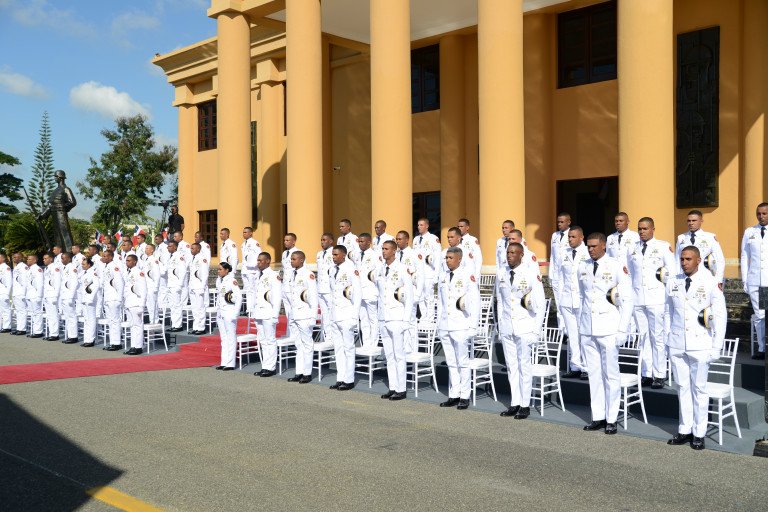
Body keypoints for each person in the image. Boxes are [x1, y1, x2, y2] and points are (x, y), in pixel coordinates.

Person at [665, 246, 726, 450]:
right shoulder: (673, 281)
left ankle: (699, 433)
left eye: (688, 259)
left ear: (698, 260)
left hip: (700, 343)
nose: (684, 263)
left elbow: (720, 316)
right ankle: (685, 429)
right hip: (677, 343)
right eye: (682, 259)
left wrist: (716, 347)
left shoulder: (711, 282)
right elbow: (668, 312)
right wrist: (667, 340)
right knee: (682, 387)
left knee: (699, 389)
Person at [579, 232, 633, 435]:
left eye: (594, 246)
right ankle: (598, 416)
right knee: (594, 375)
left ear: (603, 246)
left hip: (609, 327)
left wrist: (623, 329)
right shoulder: (583, 266)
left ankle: (611, 418)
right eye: (588, 246)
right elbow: (583, 297)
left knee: (610, 375)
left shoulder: (616, 265)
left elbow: (627, 299)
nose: (590, 249)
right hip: (588, 327)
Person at [496, 243, 546, 418]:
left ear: (521, 255)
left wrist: (536, 331)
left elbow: (540, 304)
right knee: (512, 366)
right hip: (507, 327)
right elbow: (501, 302)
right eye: (508, 252)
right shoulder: (501, 273)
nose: (509, 255)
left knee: (524, 366)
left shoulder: (531, 273)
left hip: (525, 327)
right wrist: (501, 326)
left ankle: (525, 404)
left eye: (513, 253)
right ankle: (514, 402)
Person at [628, 217, 676, 388]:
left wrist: (669, 292)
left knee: (657, 337)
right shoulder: (632, 248)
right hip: (638, 298)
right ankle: (646, 373)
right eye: (639, 229)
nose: (642, 232)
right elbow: (629, 273)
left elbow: (672, 271)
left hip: (656, 298)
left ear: (653, 229)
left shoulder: (662, 246)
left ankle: (659, 374)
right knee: (643, 337)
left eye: (645, 228)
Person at [437, 247, 480, 410]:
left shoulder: (467, 274)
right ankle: (454, 394)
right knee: (451, 362)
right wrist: (439, 323)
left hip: (461, 324)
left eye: (450, 258)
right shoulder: (443, 275)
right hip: (445, 325)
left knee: (462, 362)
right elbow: (441, 302)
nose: (447, 260)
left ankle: (464, 396)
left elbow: (475, 301)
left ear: (459, 259)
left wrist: (473, 326)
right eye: (446, 258)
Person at [377, 240, 414, 401]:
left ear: (394, 251)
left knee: (399, 355)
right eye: (382, 249)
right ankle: (393, 387)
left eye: (386, 249)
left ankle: (401, 389)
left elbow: (409, 297)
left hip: (397, 317)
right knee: (389, 355)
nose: (383, 251)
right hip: (383, 317)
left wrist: (406, 320)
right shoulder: (380, 269)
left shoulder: (402, 269)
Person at [558, 226, 589, 379]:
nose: (570, 239)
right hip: (566, 299)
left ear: (581, 238)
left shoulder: (587, 252)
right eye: (569, 237)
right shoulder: (564, 253)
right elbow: (560, 278)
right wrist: (560, 299)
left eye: (573, 237)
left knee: (584, 334)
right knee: (572, 334)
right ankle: (575, 365)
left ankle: (586, 367)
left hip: (581, 300)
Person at [329, 245, 362, 390]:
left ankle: (349, 379)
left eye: (336, 255)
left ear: (343, 255)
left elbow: (358, 293)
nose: (333, 257)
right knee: (338, 348)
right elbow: (333, 292)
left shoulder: (351, 269)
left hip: (347, 314)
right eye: (332, 254)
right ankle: (340, 378)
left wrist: (354, 316)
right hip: (335, 314)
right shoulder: (332, 269)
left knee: (348, 348)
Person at [740, 202, 768, 360]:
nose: (761, 216)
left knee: (764, 314)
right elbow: (745, 257)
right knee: (760, 315)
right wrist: (745, 280)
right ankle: (762, 348)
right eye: (759, 213)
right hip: (755, 280)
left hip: (767, 281)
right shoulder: (750, 232)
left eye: (764, 213)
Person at [285, 251, 318, 383]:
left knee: (307, 344)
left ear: (301, 260)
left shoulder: (308, 274)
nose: (291, 261)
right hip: (295, 314)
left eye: (294, 259)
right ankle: (299, 372)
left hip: (305, 315)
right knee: (298, 344)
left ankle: (307, 373)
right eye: (291, 259)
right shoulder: (292, 274)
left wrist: (313, 317)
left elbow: (313, 296)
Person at [252, 253, 282, 377]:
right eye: (257, 260)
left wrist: (275, 315)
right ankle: (265, 366)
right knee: (263, 341)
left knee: (270, 340)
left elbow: (277, 296)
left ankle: (271, 367)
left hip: (269, 313)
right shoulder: (257, 275)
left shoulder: (273, 275)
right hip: (258, 312)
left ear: (268, 261)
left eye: (260, 260)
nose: (258, 263)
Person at [675, 209, 725, 283]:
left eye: (694, 220)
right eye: (689, 221)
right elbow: (677, 260)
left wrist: (718, 280)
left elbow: (720, 260)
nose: (691, 223)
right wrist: (677, 278)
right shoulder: (681, 238)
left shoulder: (710, 238)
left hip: (705, 277)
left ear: (701, 221)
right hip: (686, 278)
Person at [37, 170, 76, 251]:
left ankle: (69, 252)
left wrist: (63, 208)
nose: (54, 178)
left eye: (56, 176)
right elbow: (49, 205)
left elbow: (72, 202)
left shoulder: (66, 189)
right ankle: (59, 251)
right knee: (57, 234)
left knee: (65, 233)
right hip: (54, 214)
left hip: (61, 214)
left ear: (60, 178)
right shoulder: (54, 191)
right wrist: (41, 216)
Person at [215, 262, 242, 371]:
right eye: (218, 269)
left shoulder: (231, 280)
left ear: (227, 270)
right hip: (221, 312)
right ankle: (224, 362)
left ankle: (230, 363)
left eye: (220, 269)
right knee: (224, 338)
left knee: (231, 338)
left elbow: (239, 297)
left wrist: (235, 313)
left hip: (229, 312)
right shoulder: (219, 280)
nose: (218, 271)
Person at [412, 217, 441, 320]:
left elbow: (438, 258)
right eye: (418, 225)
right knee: (420, 297)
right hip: (418, 273)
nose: (419, 227)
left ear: (427, 226)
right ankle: (423, 317)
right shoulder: (415, 239)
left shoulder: (433, 238)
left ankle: (430, 318)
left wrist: (436, 274)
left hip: (429, 272)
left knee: (429, 297)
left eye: (421, 225)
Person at [550, 212, 572, 332]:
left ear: (569, 222)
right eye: (558, 222)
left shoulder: (573, 234)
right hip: (556, 274)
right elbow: (552, 256)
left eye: (562, 222)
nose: (559, 224)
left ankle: (569, 331)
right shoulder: (555, 235)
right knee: (558, 304)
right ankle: (561, 331)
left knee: (567, 304)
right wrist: (551, 274)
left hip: (567, 275)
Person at [101, 250, 125, 351]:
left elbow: (119, 283)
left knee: (115, 321)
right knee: (110, 321)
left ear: (110, 257)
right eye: (103, 256)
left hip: (114, 298)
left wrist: (119, 298)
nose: (103, 258)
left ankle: (117, 343)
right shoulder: (107, 267)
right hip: (108, 298)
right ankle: (113, 342)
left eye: (105, 256)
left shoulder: (114, 267)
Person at [315, 233, 336, 348]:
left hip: (329, 288)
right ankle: (328, 337)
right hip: (320, 288)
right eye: (321, 240)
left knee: (331, 313)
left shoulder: (334, 252)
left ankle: (333, 338)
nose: (322, 242)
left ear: (330, 241)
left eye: (324, 240)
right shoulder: (319, 254)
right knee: (324, 314)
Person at [124, 255, 147, 355]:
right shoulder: (129, 272)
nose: (127, 262)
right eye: (126, 261)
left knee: (137, 325)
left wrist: (142, 305)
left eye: (129, 261)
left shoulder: (138, 272)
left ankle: (138, 347)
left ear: (134, 261)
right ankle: (133, 346)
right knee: (132, 325)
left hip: (136, 303)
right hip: (129, 302)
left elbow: (143, 289)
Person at [165, 241, 188, 333]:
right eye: (168, 246)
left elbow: (183, 271)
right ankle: (174, 324)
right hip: (170, 284)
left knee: (177, 305)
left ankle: (178, 325)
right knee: (172, 306)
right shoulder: (170, 257)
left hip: (176, 285)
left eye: (170, 246)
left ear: (175, 247)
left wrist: (179, 284)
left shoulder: (179, 257)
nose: (168, 248)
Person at [188, 243, 210, 335]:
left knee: (200, 308)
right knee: (194, 308)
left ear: (198, 249)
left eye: (193, 248)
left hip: (199, 286)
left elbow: (205, 274)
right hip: (192, 286)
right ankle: (196, 327)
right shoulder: (192, 258)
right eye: (191, 248)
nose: (191, 250)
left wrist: (202, 286)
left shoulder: (202, 258)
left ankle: (201, 327)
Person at [59, 252, 80, 343]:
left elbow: (75, 283)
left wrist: (71, 296)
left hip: (69, 296)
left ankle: (73, 336)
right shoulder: (65, 268)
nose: (62, 260)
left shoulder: (72, 268)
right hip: (64, 295)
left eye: (63, 258)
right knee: (67, 317)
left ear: (68, 259)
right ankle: (70, 335)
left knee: (71, 316)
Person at [241, 226, 262, 315]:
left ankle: (252, 309)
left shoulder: (255, 243)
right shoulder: (243, 244)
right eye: (243, 232)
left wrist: (255, 265)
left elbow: (259, 255)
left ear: (251, 233)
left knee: (252, 290)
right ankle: (248, 309)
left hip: (252, 270)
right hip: (245, 270)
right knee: (247, 290)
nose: (244, 234)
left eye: (246, 232)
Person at [79, 257, 100, 347]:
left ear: (89, 264)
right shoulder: (83, 273)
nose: (82, 266)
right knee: (86, 319)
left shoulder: (93, 273)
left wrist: (91, 297)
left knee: (91, 319)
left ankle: (91, 339)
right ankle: (87, 339)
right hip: (84, 298)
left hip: (90, 299)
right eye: (82, 264)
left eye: (84, 264)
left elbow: (96, 285)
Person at [41, 252, 61, 340]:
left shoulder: (55, 268)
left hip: (52, 294)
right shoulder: (47, 268)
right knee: (49, 315)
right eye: (43, 259)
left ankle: (55, 334)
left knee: (53, 315)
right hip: (47, 294)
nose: (44, 260)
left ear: (51, 259)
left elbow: (57, 282)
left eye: (46, 258)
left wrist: (56, 295)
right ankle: (51, 333)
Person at [26, 254, 44, 338]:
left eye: (29, 259)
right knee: (33, 313)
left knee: (37, 313)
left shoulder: (37, 269)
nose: (27, 260)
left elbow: (40, 283)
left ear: (35, 260)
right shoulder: (29, 269)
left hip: (35, 294)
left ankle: (38, 331)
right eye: (27, 259)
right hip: (30, 294)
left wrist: (39, 295)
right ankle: (34, 330)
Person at [144, 244, 162, 324]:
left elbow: (157, 274)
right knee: (149, 305)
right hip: (147, 285)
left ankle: (155, 320)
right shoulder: (146, 259)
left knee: (152, 304)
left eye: (147, 248)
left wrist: (156, 286)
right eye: (145, 248)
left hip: (152, 286)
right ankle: (152, 320)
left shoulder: (154, 260)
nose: (146, 249)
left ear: (152, 250)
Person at [11, 253, 28, 335]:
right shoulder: (16, 267)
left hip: (21, 292)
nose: (14, 258)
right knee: (18, 311)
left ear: (20, 258)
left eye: (16, 257)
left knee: (22, 311)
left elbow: (24, 281)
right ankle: (19, 328)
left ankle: (22, 329)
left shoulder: (23, 267)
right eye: (13, 257)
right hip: (16, 292)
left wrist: (23, 293)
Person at [154, 234, 170, 309]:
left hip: (162, 270)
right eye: (155, 239)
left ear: (161, 239)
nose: (156, 241)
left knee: (163, 287)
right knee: (159, 287)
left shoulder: (165, 247)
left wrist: (164, 270)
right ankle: (160, 302)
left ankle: (163, 303)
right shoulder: (157, 248)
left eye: (157, 239)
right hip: (158, 270)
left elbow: (166, 259)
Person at [0, 254, 12, 333]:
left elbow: (9, 281)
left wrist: (7, 293)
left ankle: (7, 326)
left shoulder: (6, 268)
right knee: (1, 310)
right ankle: (2, 325)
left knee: (6, 310)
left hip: (4, 292)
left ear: (3, 259)